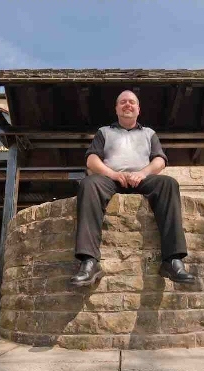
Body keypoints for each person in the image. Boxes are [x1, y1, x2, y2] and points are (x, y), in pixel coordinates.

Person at [70, 90, 196, 287]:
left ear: (138, 109)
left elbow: (160, 160)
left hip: (142, 178)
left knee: (168, 184)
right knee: (88, 184)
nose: (127, 105)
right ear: (117, 108)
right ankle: (89, 262)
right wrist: (112, 174)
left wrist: (143, 173)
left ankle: (173, 261)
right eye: (122, 102)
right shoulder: (104, 132)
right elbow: (92, 159)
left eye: (131, 102)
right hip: (111, 178)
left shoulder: (149, 134)